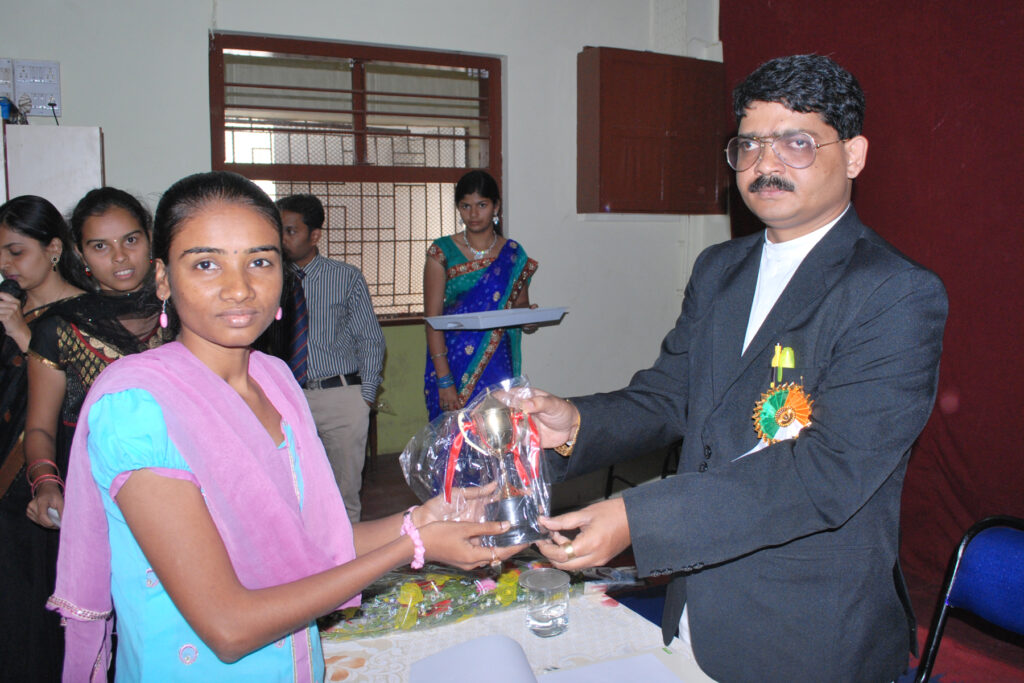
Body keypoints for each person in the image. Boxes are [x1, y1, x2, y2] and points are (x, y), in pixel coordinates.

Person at [523, 55, 948, 682]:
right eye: (749, 144)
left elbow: (828, 472)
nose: (765, 163)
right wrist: (575, 423)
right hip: (698, 600)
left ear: (854, 155)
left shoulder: (893, 292)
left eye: (796, 142)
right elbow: (671, 396)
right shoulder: (720, 268)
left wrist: (639, 518)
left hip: (806, 628)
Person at [49, 171, 519, 682]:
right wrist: (413, 548)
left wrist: (422, 520)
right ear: (163, 278)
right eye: (206, 263)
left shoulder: (273, 381)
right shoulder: (138, 409)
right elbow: (228, 627)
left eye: (260, 261)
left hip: (294, 662)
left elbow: (312, 541)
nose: (239, 288)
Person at [24, 187, 166, 534]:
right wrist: (46, 483)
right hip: (96, 495)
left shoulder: (185, 313)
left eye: (130, 240)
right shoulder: (61, 327)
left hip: (182, 484)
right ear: (80, 253)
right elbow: (40, 427)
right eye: (100, 246)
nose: (120, 257)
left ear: (149, 238)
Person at [0, 195, 89, 682]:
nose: (6, 265)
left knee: (47, 604)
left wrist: (23, 336)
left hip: (52, 476)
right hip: (5, 477)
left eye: (16, 251)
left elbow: (87, 397)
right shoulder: (8, 307)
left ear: (53, 248)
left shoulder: (86, 312)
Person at [276, 193, 385, 524]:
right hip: (285, 398)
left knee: (344, 492)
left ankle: (347, 552)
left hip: (339, 397)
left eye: (290, 231)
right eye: (278, 230)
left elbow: (370, 338)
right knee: (291, 489)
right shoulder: (268, 278)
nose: (282, 239)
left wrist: (365, 396)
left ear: (315, 235)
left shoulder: (345, 277)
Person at [423, 170, 539, 420]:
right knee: (453, 434)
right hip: (452, 363)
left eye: (482, 205)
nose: (473, 214)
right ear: (458, 208)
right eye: (466, 206)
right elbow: (432, 320)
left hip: (498, 364)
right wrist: (444, 379)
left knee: (496, 433)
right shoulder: (442, 252)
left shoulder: (513, 254)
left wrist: (529, 320)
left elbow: (520, 306)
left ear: (496, 206)